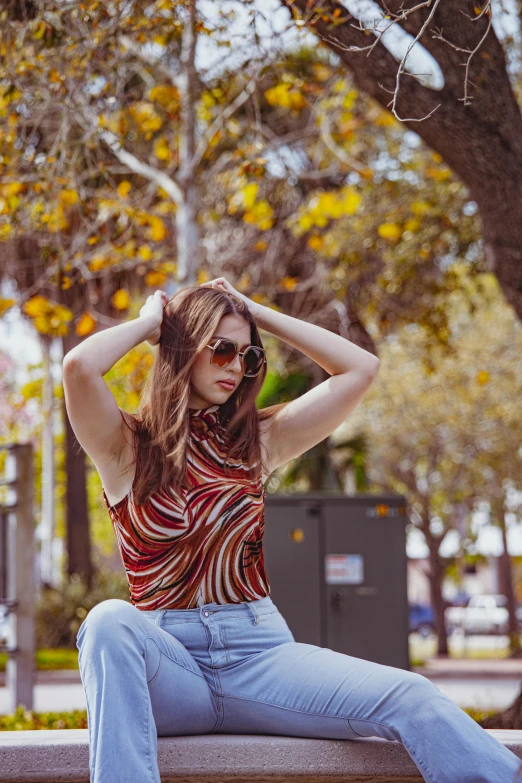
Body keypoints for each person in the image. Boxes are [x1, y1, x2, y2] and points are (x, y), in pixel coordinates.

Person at [63, 278, 520, 783]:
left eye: (248, 356)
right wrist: (153, 322)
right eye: (221, 350)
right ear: (183, 346)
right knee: (107, 621)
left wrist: (256, 312)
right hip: (169, 668)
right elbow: (79, 368)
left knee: (413, 697)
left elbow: (360, 369)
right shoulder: (125, 446)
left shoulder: (256, 442)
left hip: (259, 657)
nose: (236, 367)